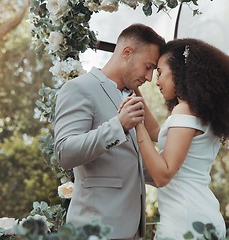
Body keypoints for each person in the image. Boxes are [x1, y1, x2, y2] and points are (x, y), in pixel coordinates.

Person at [120, 38, 229, 239]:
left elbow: (163, 175)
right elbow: (157, 132)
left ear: (179, 73)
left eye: (160, 72)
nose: (156, 81)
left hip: (185, 221)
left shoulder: (184, 110)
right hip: (200, 215)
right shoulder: (199, 112)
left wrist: (136, 124)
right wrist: (135, 93)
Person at [53, 23, 165, 239]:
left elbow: (131, 163)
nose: (149, 77)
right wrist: (118, 126)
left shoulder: (132, 97)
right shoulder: (79, 88)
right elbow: (65, 152)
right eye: (148, 66)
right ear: (127, 52)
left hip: (132, 231)